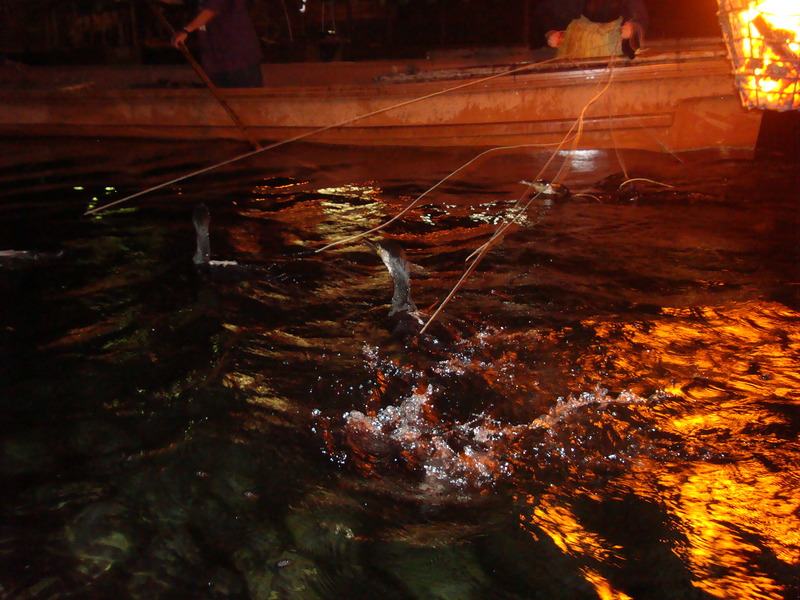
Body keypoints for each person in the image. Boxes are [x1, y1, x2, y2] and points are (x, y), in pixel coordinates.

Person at [171, 0, 263, 88]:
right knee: (221, 91)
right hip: (216, 59)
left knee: (245, 94)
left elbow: (210, 10)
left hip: (238, 57)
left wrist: (186, 30)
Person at [536, 0, 648, 59]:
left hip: (615, 39)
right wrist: (551, 33)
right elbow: (550, 10)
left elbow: (639, 15)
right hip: (581, 39)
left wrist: (631, 29)